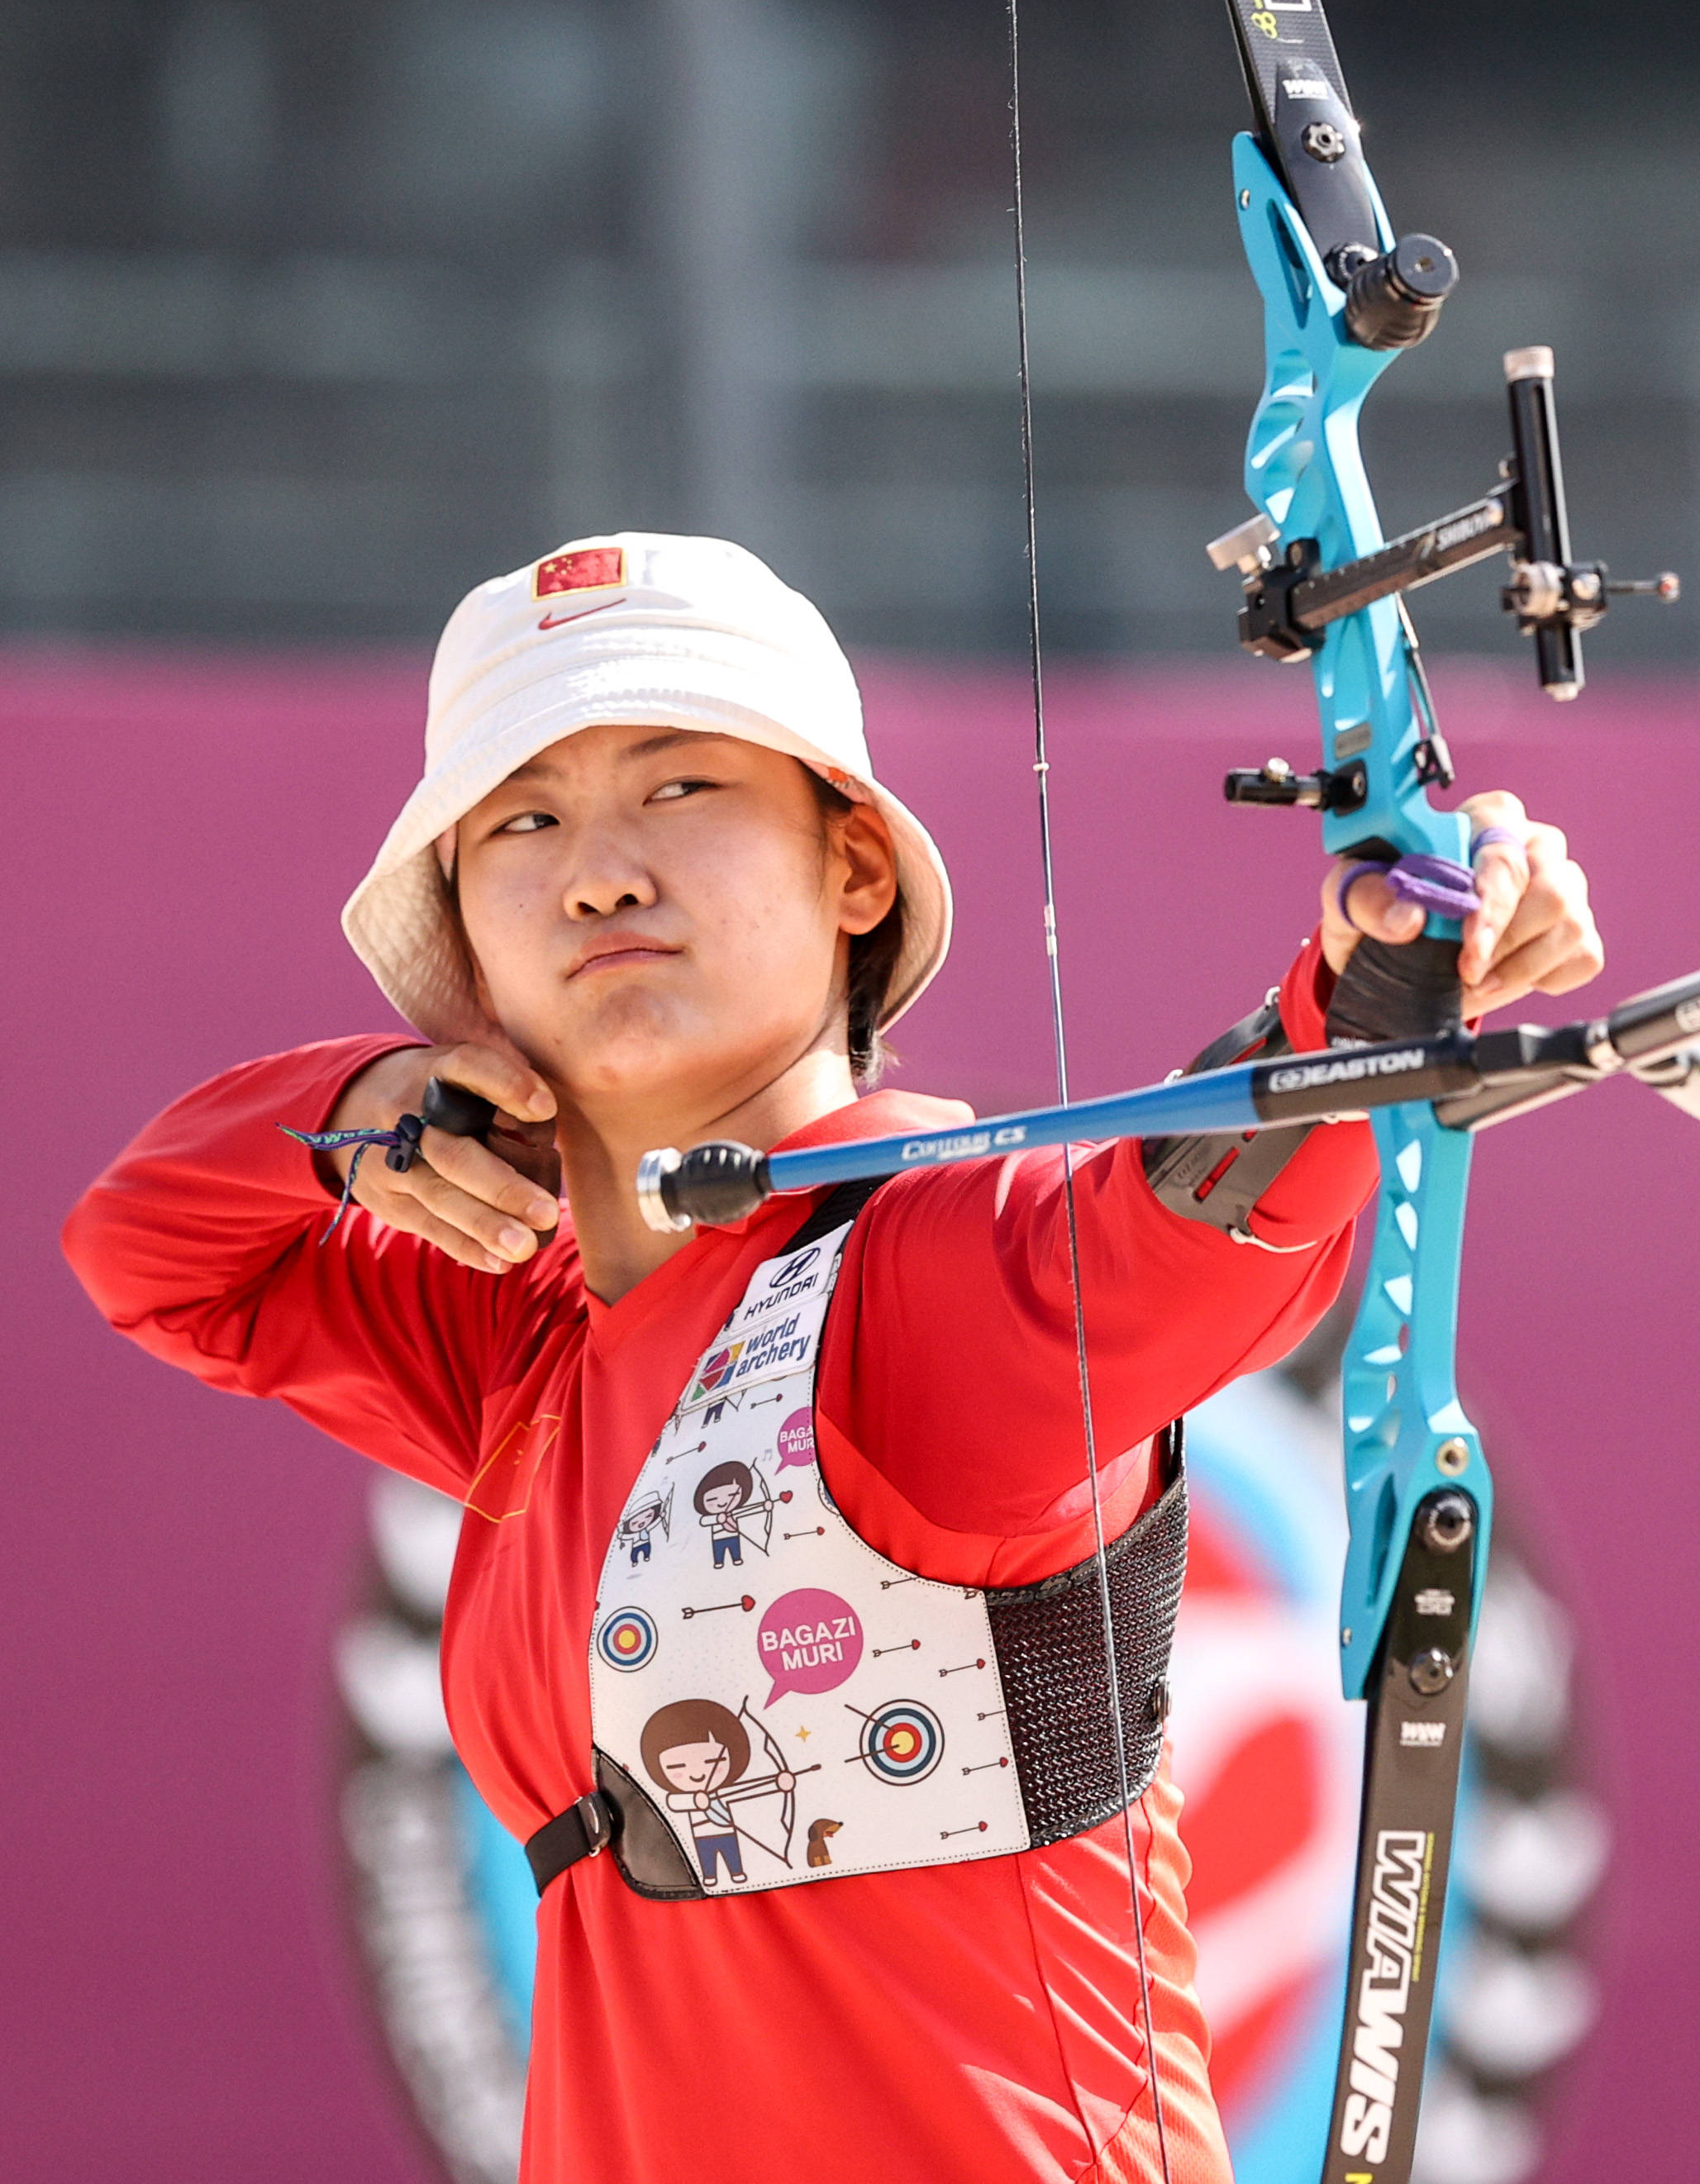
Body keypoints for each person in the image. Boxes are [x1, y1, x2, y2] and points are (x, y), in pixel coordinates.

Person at [63, 534, 1605, 2184]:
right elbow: (149, 1252)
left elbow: (1180, 1233)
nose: (598, 871)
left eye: (680, 790)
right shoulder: (519, 1335)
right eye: (525, 821)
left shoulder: (914, 1278)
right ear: (467, 951)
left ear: (852, 871)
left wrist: (1373, 986)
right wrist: (365, 1105)